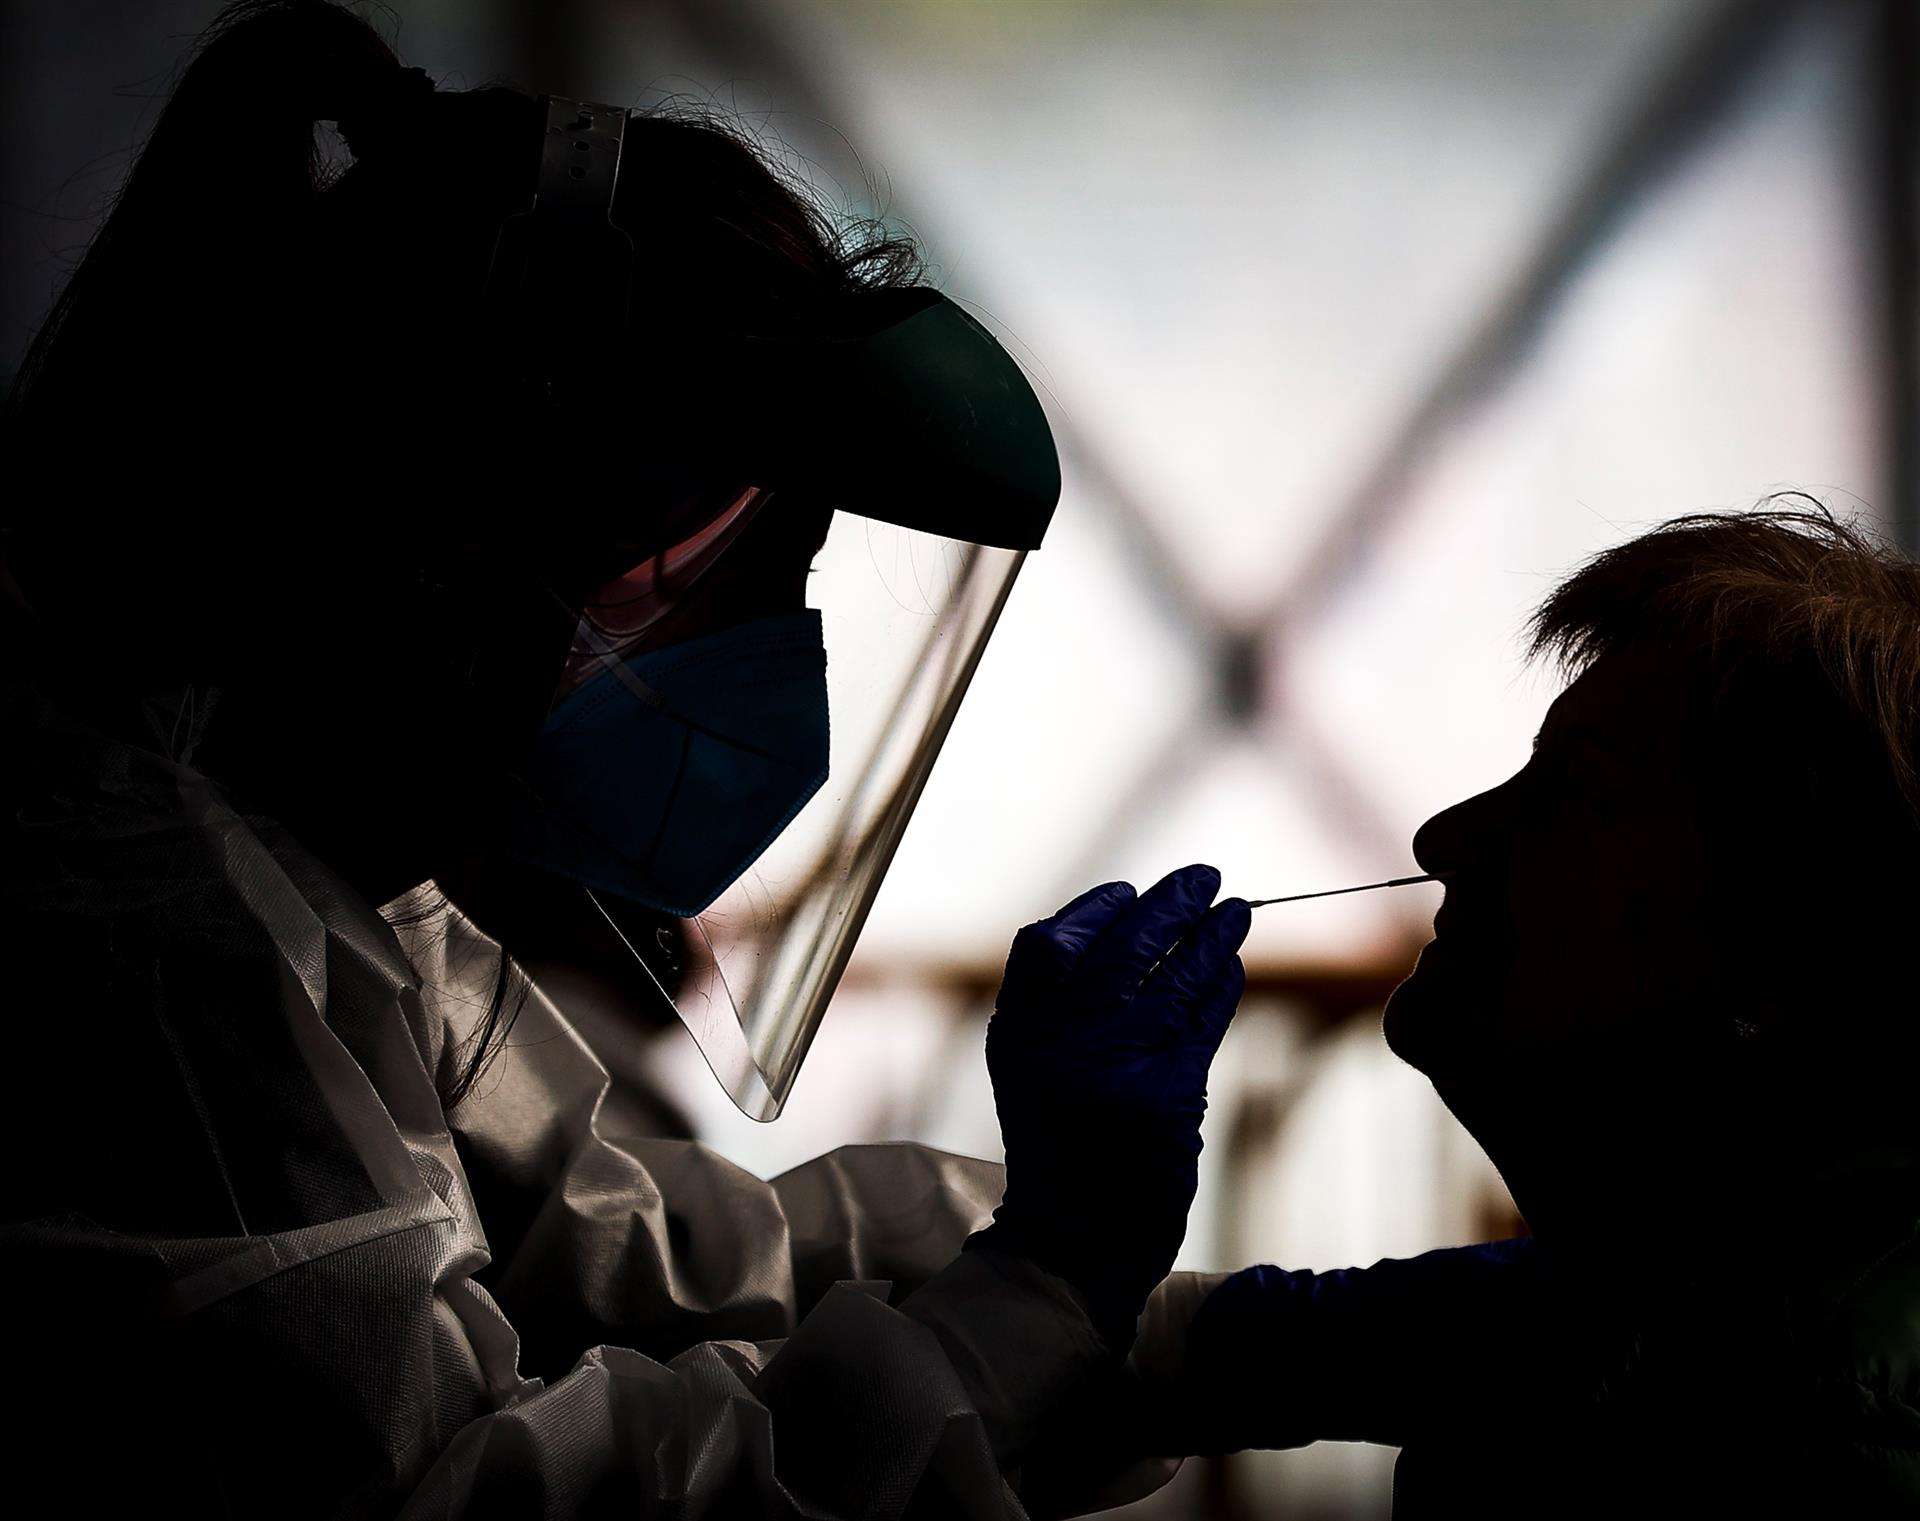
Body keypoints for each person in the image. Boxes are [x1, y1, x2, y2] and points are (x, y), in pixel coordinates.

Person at [0, 2, 1251, 1516]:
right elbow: (485, 1493)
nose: (771, 681)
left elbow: (645, 1255)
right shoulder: (159, 959)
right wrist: (1040, 1298)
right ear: (468, 547)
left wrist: (1170, 1311)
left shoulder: (342, 893)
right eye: (735, 597)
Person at [1108, 506, 1920, 1516]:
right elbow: (1281, 1339)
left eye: (1571, 791)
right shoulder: (1665, 1278)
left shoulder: (1798, 1430)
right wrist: (1069, 1257)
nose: (1443, 835)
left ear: (1794, 944)